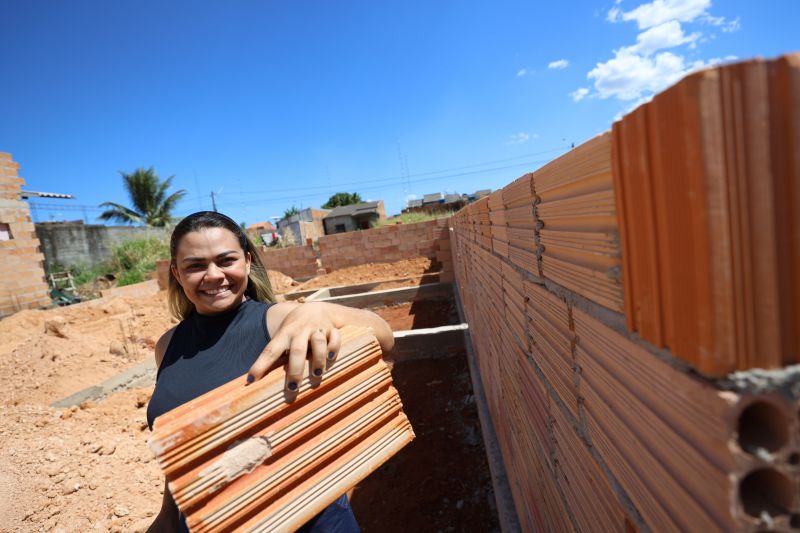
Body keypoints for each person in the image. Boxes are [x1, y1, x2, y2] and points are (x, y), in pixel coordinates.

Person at [146, 211, 394, 532]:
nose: (214, 275)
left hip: (304, 519)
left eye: (226, 260)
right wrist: (167, 517)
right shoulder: (167, 345)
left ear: (247, 262)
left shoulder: (280, 321)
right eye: (195, 265)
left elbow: (384, 337)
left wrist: (320, 310)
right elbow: (182, 449)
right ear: (176, 274)